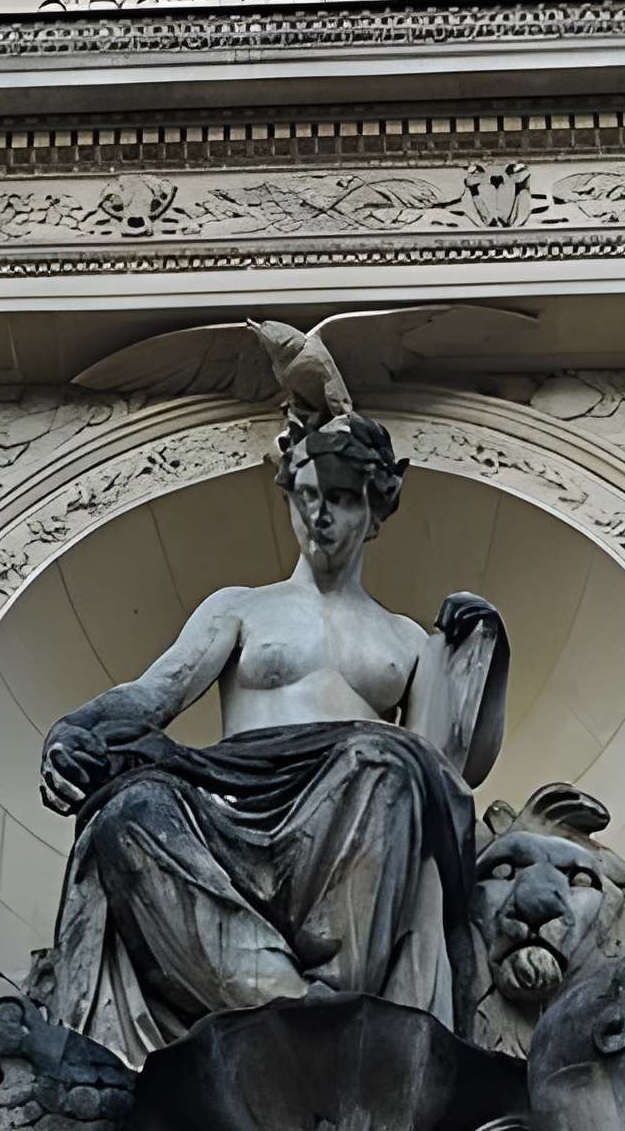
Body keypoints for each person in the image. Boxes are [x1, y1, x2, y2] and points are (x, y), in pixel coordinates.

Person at [34, 399, 507, 1062]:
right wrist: (73, 730)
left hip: (355, 821)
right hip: (232, 805)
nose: (319, 515)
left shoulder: (406, 639)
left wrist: (482, 656)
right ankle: (292, 1005)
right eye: (308, 496)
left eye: (340, 499)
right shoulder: (241, 608)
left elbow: (448, 767)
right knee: (127, 814)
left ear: (375, 508)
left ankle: (339, 999)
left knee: (387, 765)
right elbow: (153, 694)